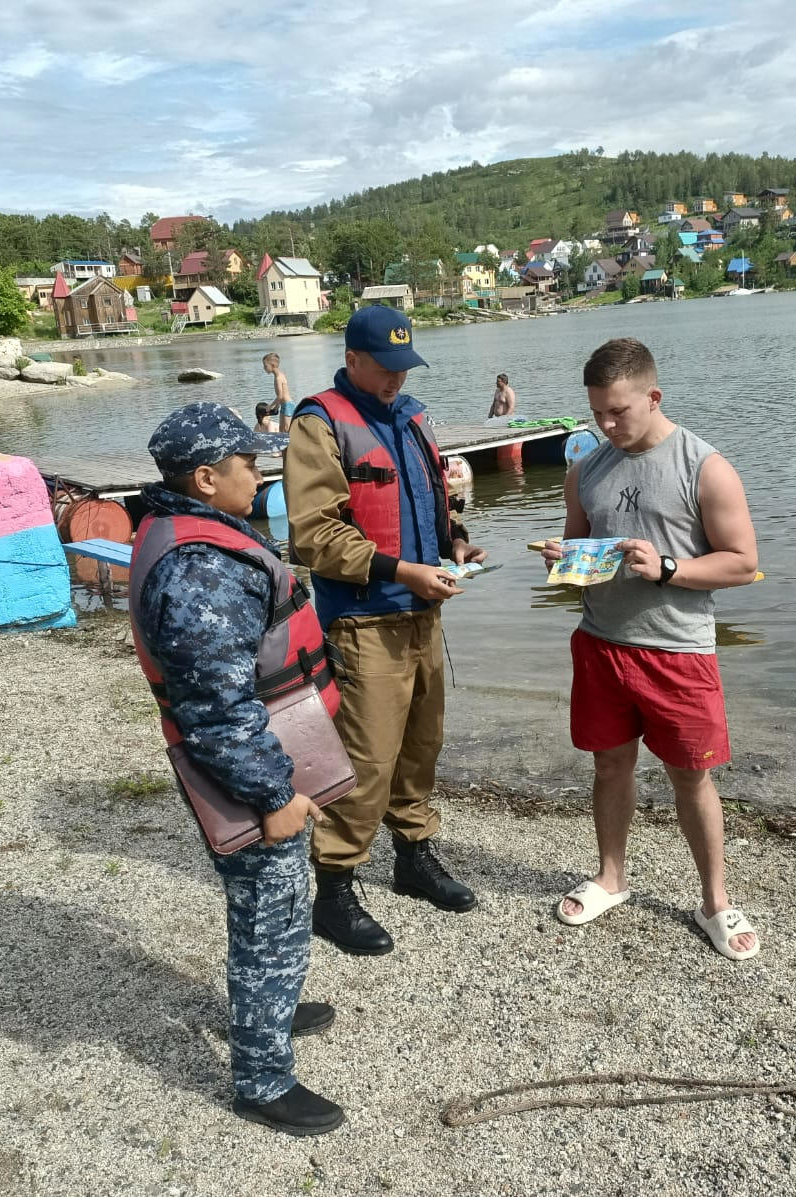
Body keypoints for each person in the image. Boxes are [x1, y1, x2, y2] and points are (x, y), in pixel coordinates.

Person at [128, 401, 344, 1136]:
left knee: (269, 908)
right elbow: (216, 709)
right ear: (205, 478)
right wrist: (276, 794)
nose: (260, 471)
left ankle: (267, 1008)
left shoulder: (196, 532)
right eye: (248, 463)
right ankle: (261, 1077)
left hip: (266, 751)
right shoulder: (197, 569)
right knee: (270, 914)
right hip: (247, 774)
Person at [543, 338, 762, 961]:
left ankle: (715, 902)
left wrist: (667, 567)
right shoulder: (585, 469)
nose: (606, 426)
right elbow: (581, 554)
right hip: (602, 645)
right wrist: (566, 560)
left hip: (678, 651)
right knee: (609, 765)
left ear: (653, 396)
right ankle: (612, 878)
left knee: (691, 779)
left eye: (618, 412)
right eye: (597, 415)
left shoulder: (704, 467)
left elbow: (743, 564)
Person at [283, 306, 484, 956]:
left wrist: (457, 542)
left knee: (422, 743)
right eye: (387, 368)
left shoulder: (414, 415)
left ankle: (414, 856)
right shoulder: (320, 422)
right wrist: (400, 569)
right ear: (355, 359)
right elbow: (312, 535)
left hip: (426, 611)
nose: (398, 380)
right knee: (366, 756)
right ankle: (334, 887)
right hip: (365, 620)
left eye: (405, 368)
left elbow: (432, 501)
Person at [263, 353, 293, 433]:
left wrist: (270, 406)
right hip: (284, 405)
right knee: (281, 430)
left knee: (287, 430)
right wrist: (277, 407)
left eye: (265, 366)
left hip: (287, 405)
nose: (264, 368)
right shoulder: (279, 375)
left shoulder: (278, 378)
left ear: (272, 365)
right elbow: (281, 396)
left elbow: (280, 396)